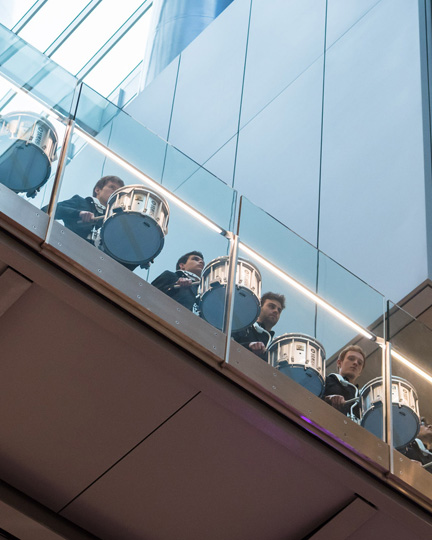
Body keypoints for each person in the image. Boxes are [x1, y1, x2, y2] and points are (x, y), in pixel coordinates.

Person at [45, 176, 124, 242]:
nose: (115, 193)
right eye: (112, 187)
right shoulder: (80, 202)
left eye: (118, 192)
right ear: (97, 190)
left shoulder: (112, 219)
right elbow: (48, 209)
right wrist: (78, 213)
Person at [232, 292, 286, 360]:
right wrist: (249, 346)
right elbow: (228, 345)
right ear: (260, 307)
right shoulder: (242, 327)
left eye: (279, 310)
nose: (276, 311)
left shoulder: (274, 348)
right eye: (272, 306)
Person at [323, 345, 365, 418]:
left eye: (360, 363)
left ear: (360, 371)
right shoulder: (325, 381)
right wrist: (328, 399)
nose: (355, 363)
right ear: (339, 363)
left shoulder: (363, 398)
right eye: (351, 359)